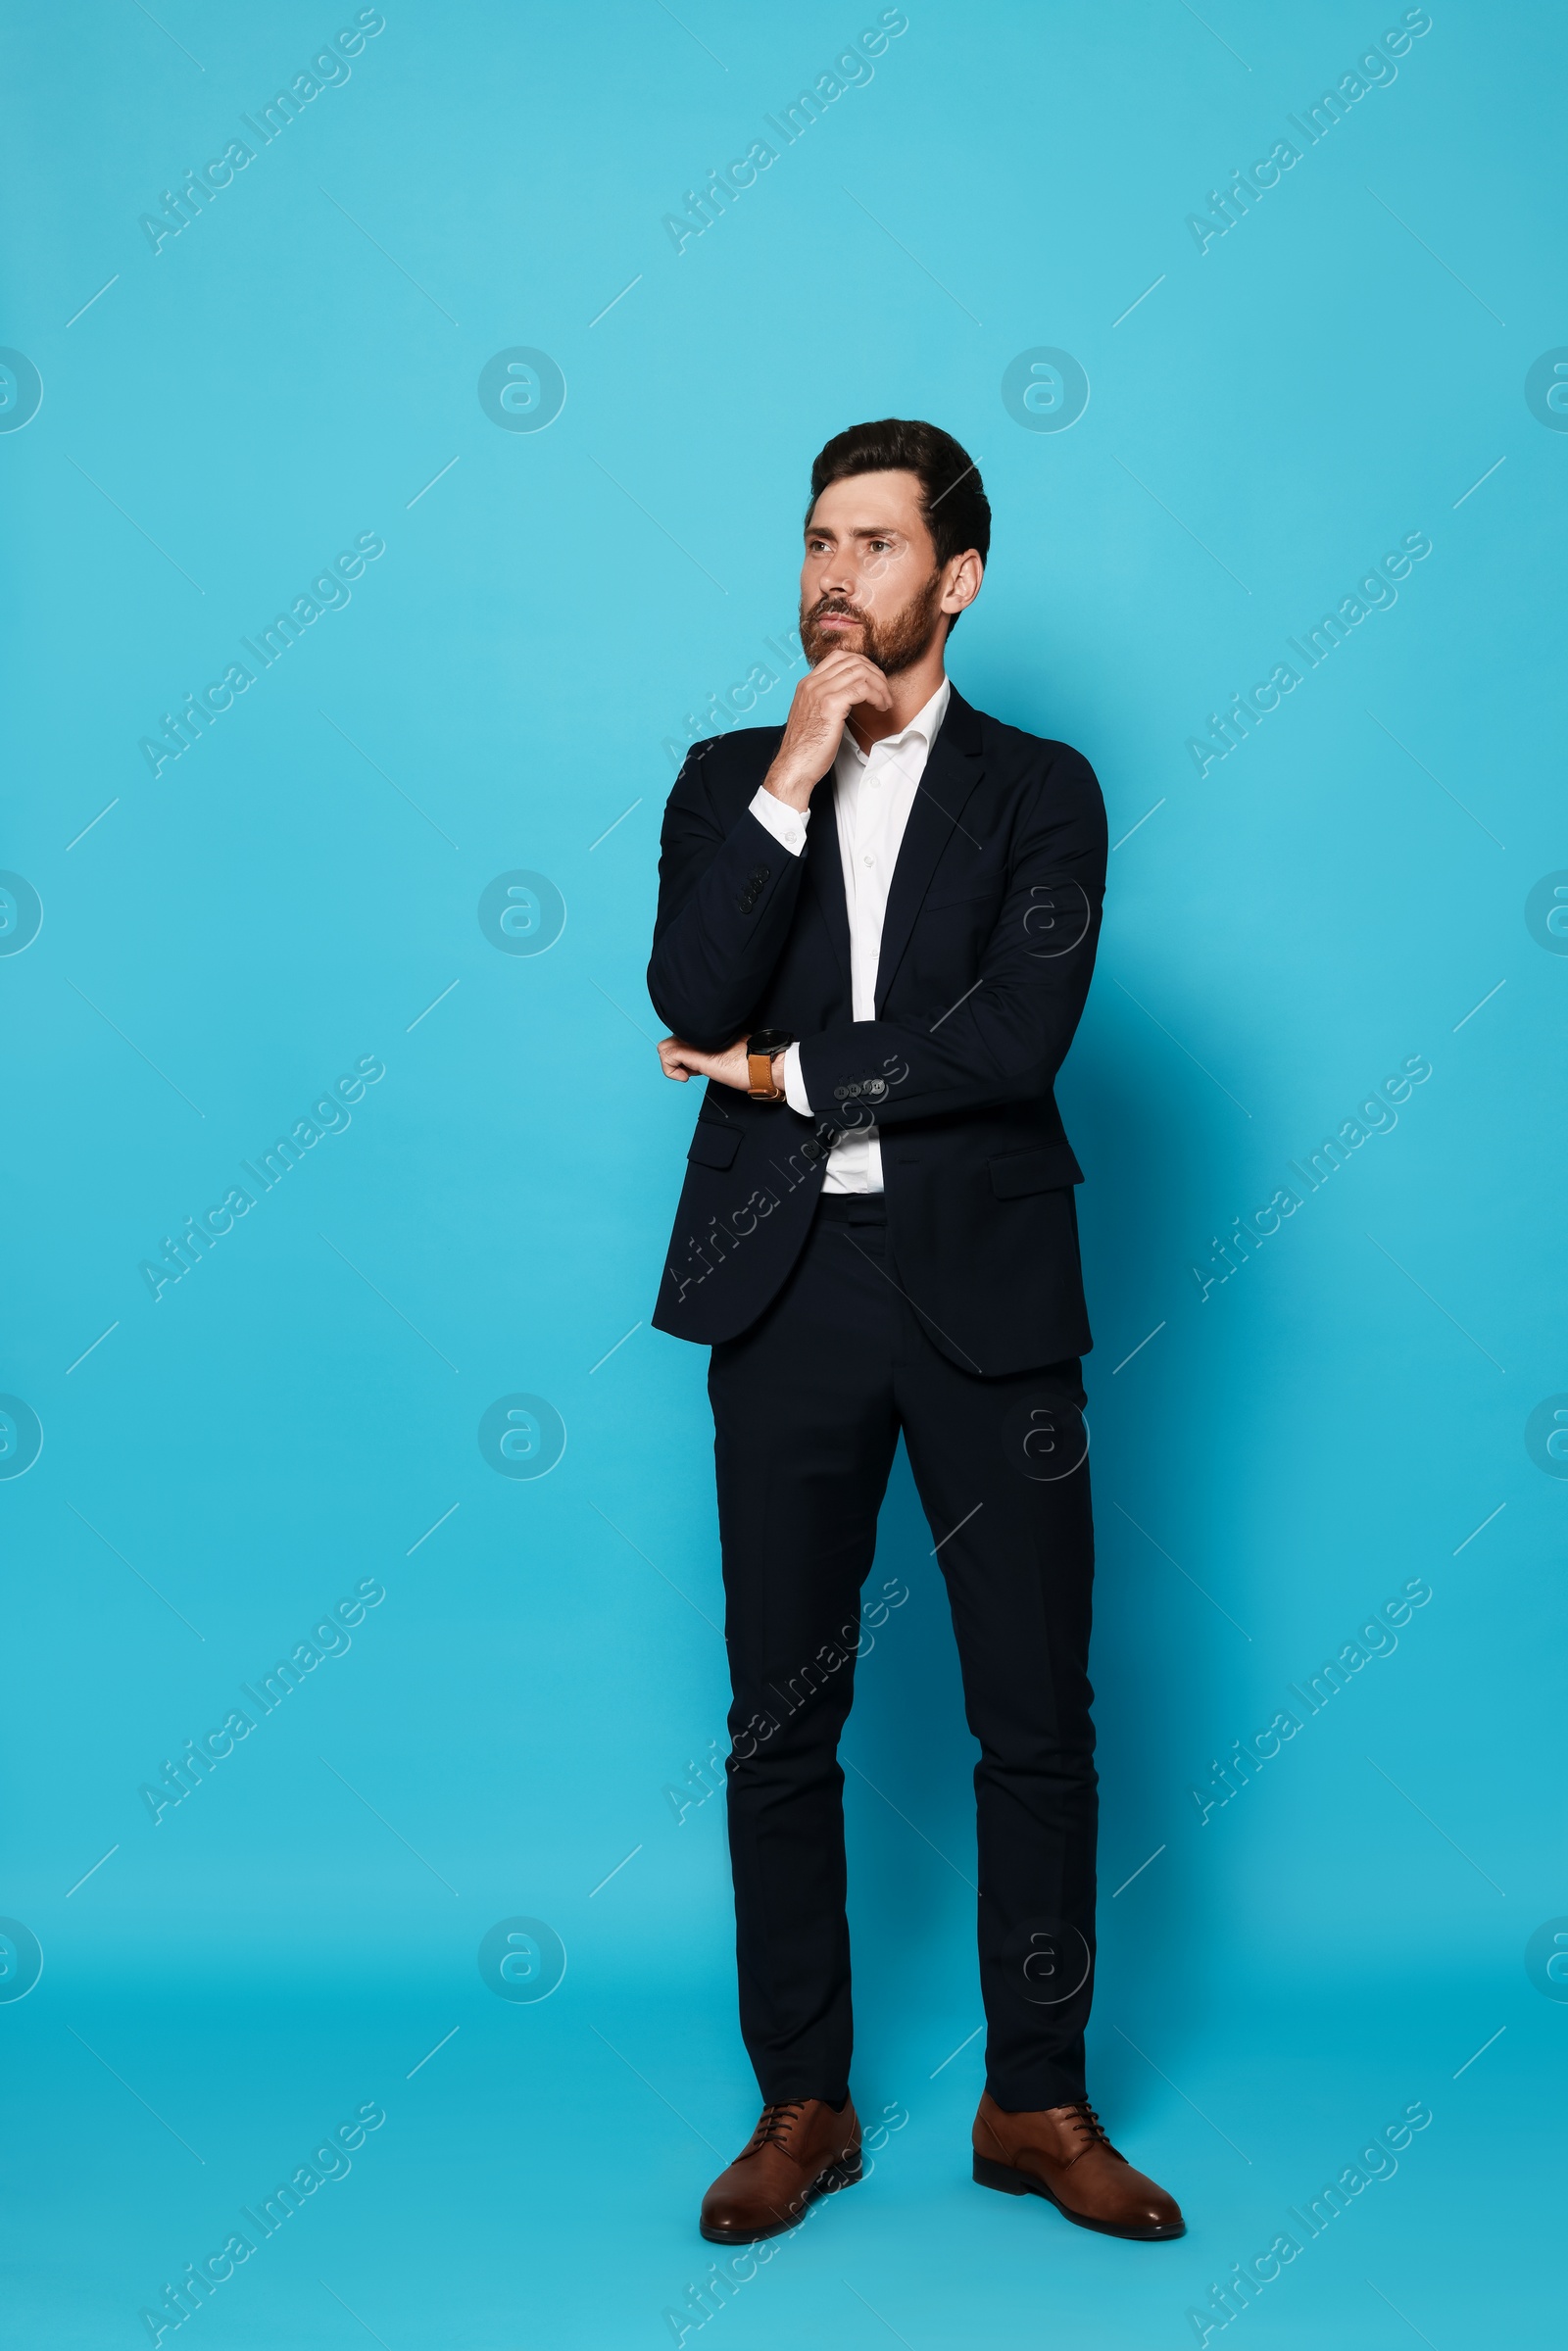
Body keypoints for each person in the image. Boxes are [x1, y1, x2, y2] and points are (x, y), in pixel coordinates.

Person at [647, 418, 1183, 2247]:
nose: (832, 575)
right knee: (778, 1721)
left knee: (1036, 1716)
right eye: (815, 540)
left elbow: (1015, 1035)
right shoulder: (730, 775)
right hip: (781, 1296)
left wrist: (789, 1072)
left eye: (873, 545)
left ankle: (1035, 2099)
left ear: (953, 579)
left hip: (986, 1299)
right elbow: (683, 993)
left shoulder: (1046, 790)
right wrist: (794, 781)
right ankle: (802, 2101)